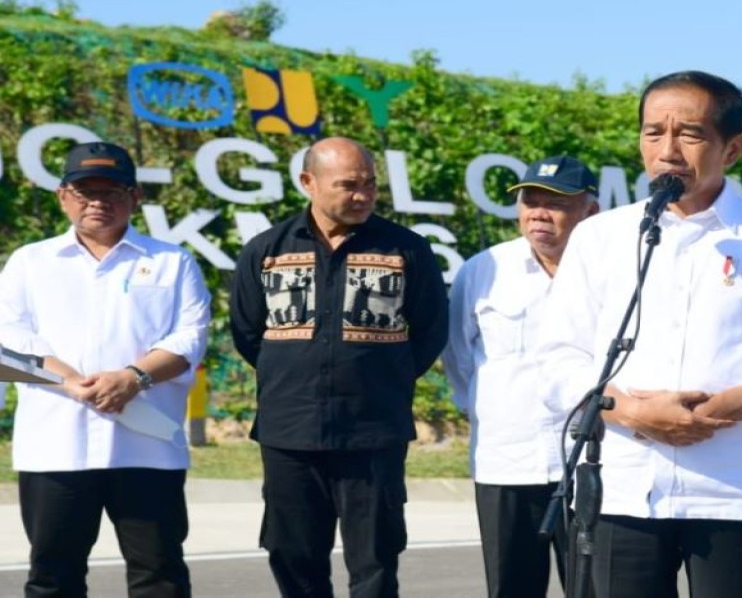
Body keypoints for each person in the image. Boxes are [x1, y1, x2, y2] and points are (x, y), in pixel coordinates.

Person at [535, 71, 742, 598]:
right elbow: (556, 361)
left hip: (737, 489)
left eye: (691, 134)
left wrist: (711, 412)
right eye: (654, 132)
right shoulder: (600, 236)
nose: (669, 150)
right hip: (625, 486)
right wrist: (632, 411)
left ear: (733, 148)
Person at [230, 136, 449, 598]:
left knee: (375, 563)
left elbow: (429, 332)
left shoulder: (406, 250)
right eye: (349, 185)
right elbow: (249, 334)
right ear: (308, 182)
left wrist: (379, 378)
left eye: (370, 184)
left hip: (373, 434)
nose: (363, 195)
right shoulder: (266, 250)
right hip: (289, 435)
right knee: (293, 558)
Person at [0, 141, 212, 597]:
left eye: (112, 191)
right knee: (53, 576)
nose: (97, 201)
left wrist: (133, 378)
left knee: (159, 575)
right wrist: (70, 380)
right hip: (56, 446)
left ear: (135, 197)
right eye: (84, 191)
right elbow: (9, 337)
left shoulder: (172, 262)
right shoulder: (30, 263)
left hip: (148, 447)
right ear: (62, 196)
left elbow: (190, 337)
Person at [443, 155, 600, 598]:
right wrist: (491, 409)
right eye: (530, 200)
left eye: (555, 202)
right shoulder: (484, 270)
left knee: (593, 588)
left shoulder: (613, 272)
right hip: (505, 460)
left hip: (588, 460)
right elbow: (458, 357)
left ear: (590, 210)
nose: (538, 213)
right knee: (511, 587)